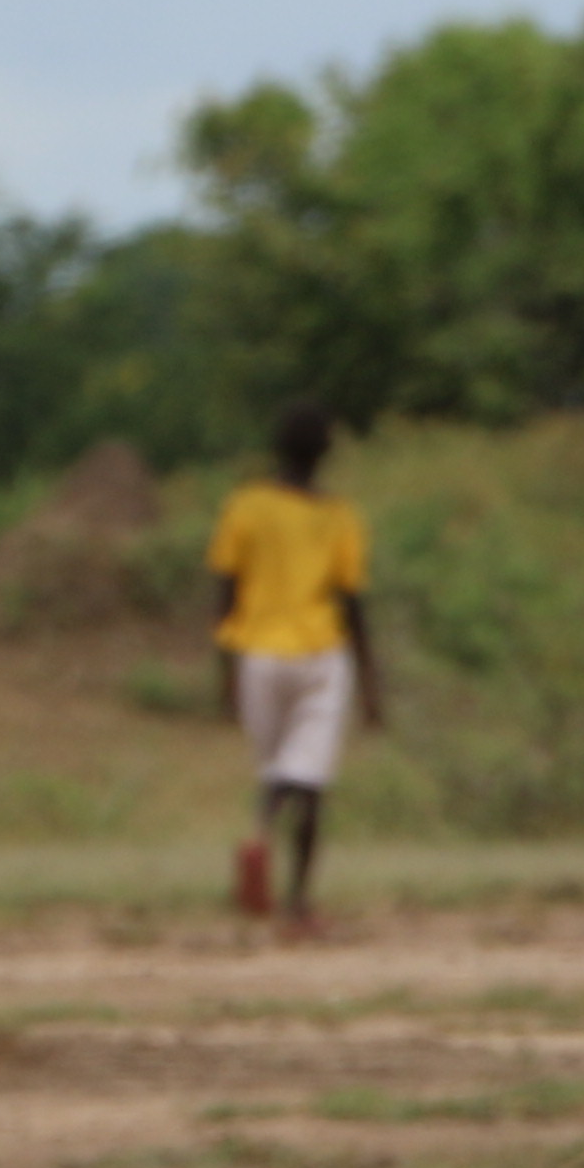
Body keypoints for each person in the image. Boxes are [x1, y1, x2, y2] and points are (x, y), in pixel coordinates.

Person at [207, 402, 382, 938]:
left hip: (258, 655)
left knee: (277, 768)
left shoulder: (245, 506)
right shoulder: (339, 516)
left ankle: (259, 832)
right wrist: (372, 679)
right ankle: (299, 904)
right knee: (309, 780)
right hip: (320, 654)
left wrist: (224, 669)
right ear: (326, 450)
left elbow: (225, 588)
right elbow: (351, 601)